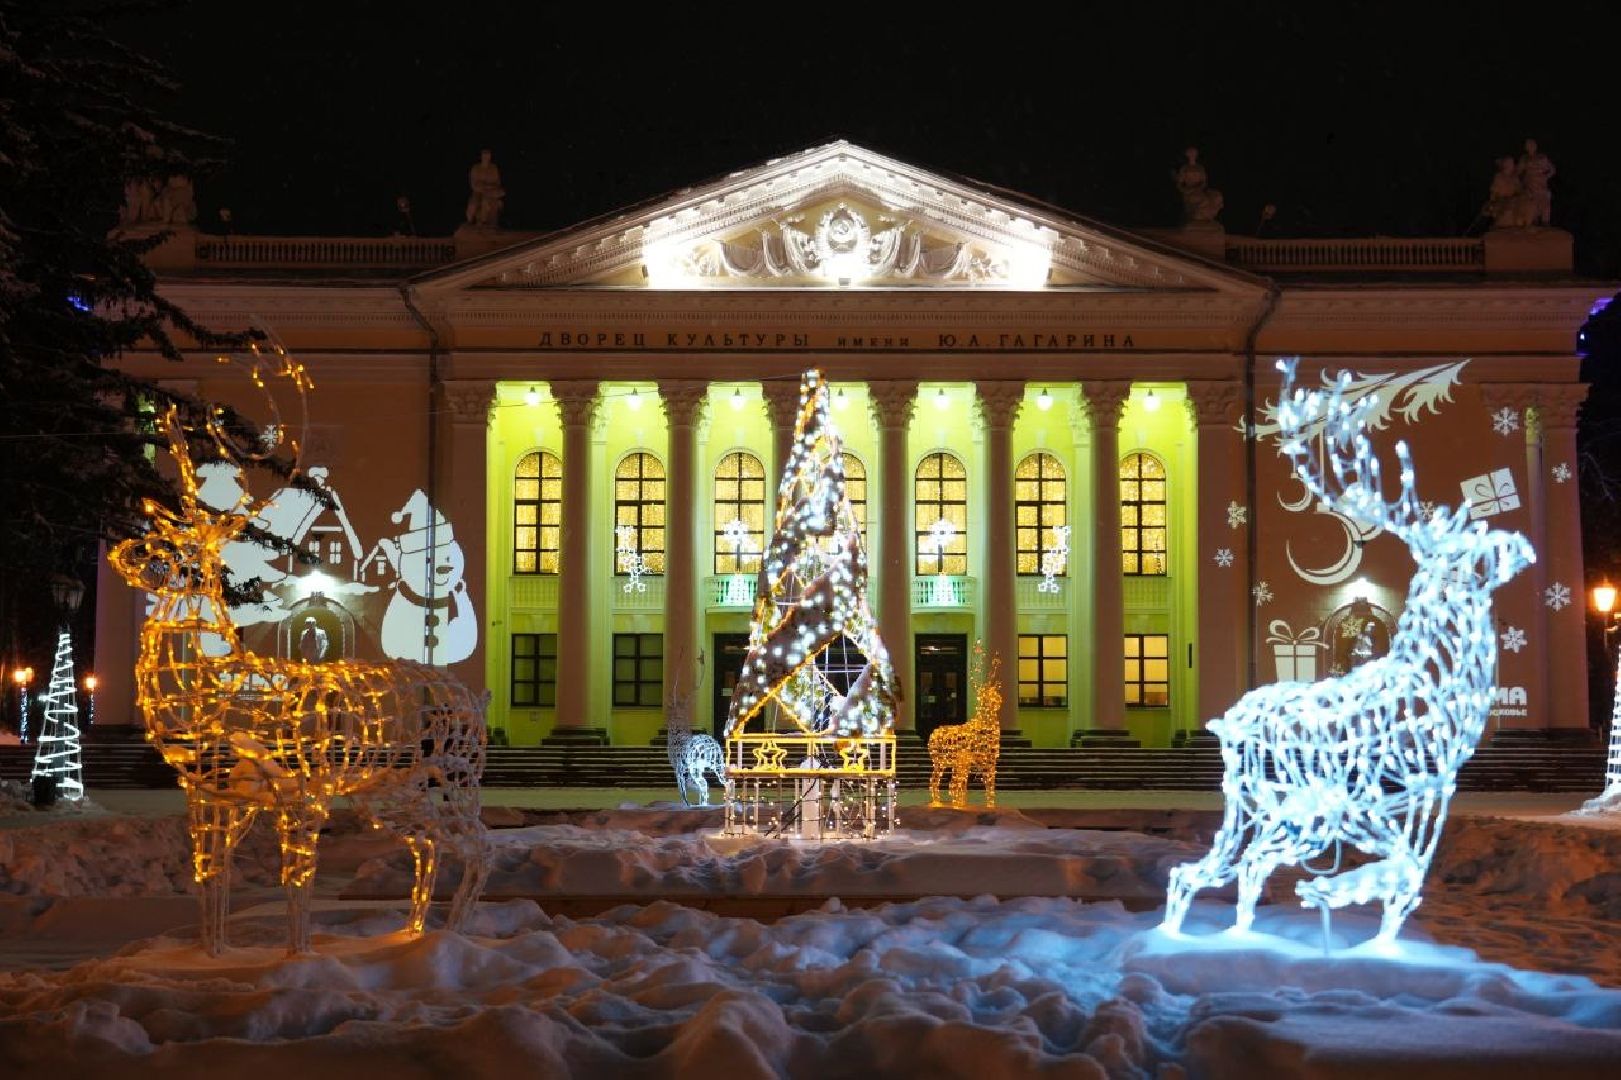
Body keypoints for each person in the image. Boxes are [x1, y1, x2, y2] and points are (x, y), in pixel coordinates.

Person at [1174, 147, 1223, 225]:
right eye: (1190, 154)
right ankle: (1199, 218)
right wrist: (1186, 190)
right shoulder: (1185, 168)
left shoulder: (1200, 168)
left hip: (1199, 190)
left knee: (1214, 196)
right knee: (1203, 201)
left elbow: (1204, 182)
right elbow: (1179, 184)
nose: (1192, 156)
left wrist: (1199, 188)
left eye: (1194, 154)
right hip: (1189, 192)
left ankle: (1206, 218)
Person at [1516, 138, 1555, 226]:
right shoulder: (1524, 158)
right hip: (1529, 183)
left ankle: (1545, 223)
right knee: (1532, 203)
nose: (1531, 147)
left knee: (1544, 202)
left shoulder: (1542, 157)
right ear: (1526, 147)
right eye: (1528, 145)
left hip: (1541, 184)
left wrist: (1545, 177)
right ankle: (1533, 222)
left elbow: (1552, 169)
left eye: (1532, 145)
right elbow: (1518, 172)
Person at [465, 150, 505, 228]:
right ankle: (470, 221)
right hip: (479, 192)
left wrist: (489, 187)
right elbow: (474, 184)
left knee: (490, 201)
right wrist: (485, 187)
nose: (487, 157)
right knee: (474, 203)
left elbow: (497, 182)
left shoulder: (493, 168)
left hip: (491, 191)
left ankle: (488, 222)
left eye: (488, 155)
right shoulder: (476, 168)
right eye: (485, 155)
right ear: (481, 157)